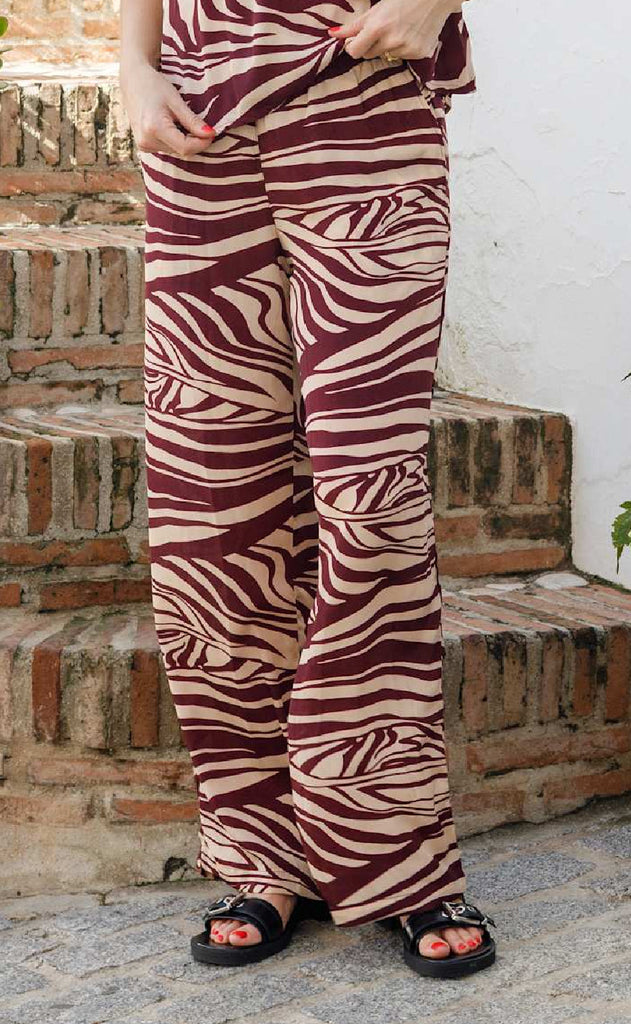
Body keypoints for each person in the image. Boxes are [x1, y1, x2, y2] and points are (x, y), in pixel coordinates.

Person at [119, 0, 496, 979]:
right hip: (201, 120)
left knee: (372, 501)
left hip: (366, 103)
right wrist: (134, 63)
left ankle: (396, 850)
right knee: (215, 512)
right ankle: (261, 851)